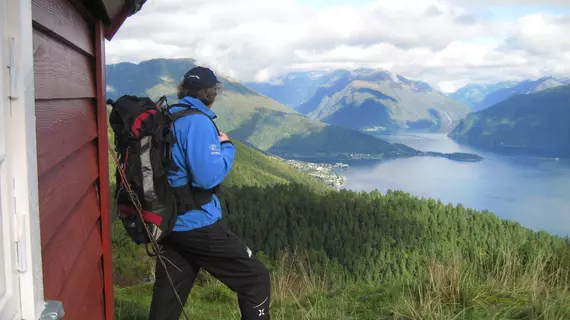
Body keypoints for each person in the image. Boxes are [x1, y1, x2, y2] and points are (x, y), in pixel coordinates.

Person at [148, 66, 271, 320]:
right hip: (196, 223)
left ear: (184, 89)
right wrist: (227, 148)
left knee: (170, 293)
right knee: (255, 278)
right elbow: (207, 178)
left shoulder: (169, 114)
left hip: (168, 220)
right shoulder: (197, 121)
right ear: (211, 93)